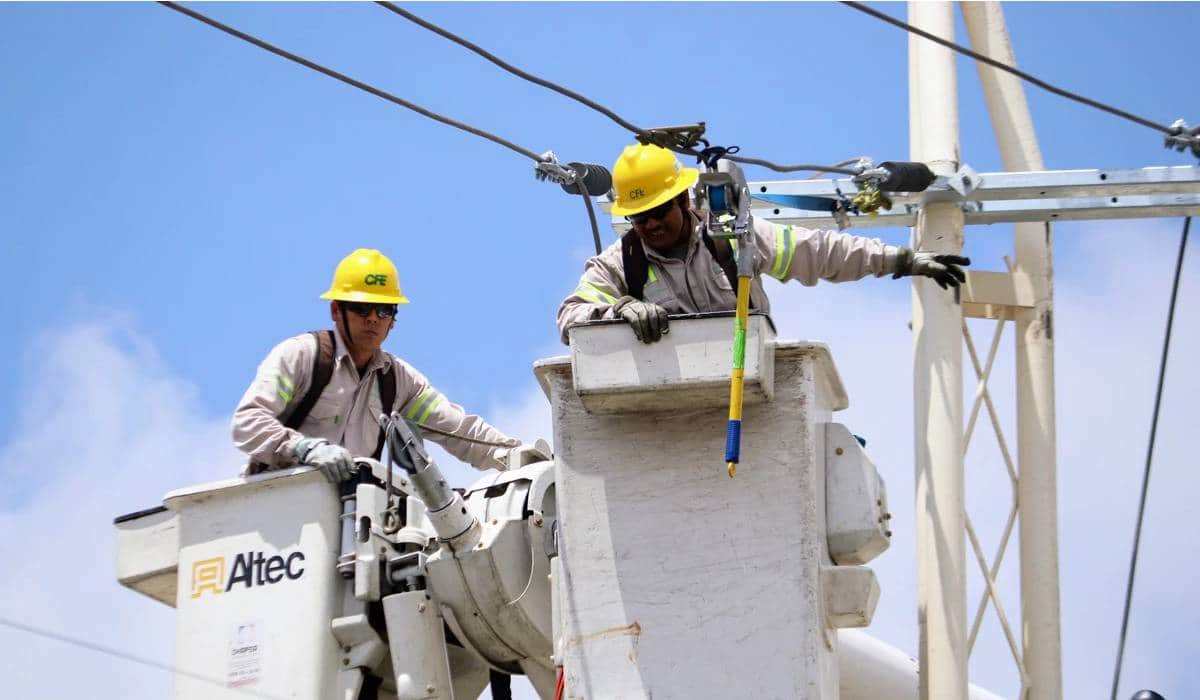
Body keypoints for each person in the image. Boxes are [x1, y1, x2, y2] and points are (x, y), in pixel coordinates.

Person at [557, 143, 970, 343]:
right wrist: (619, 308)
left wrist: (903, 260)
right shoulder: (620, 263)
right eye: (638, 217)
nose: (649, 225)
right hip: (668, 402)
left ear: (683, 200)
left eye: (658, 212)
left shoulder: (732, 240)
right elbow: (569, 317)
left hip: (746, 384)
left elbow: (821, 252)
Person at [232, 248, 523, 481]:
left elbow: (460, 431)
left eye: (383, 310)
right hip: (276, 512)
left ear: (394, 318)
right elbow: (248, 423)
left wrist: (518, 457)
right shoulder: (302, 356)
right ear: (336, 310)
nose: (373, 318)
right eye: (361, 308)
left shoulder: (396, 382)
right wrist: (304, 448)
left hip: (345, 525)